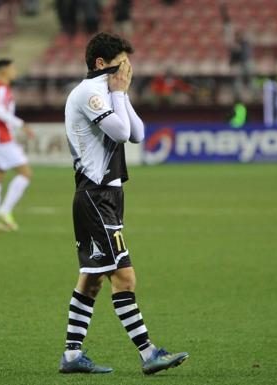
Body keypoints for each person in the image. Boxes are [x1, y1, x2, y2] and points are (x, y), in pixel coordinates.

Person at [59, 32, 189, 375]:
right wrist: (118, 93)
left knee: (92, 278)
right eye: (122, 62)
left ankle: (72, 357)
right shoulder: (89, 92)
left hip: (107, 196)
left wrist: (122, 94)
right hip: (96, 194)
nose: (127, 69)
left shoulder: (109, 92)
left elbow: (137, 133)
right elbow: (118, 133)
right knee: (125, 277)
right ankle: (148, 354)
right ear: (101, 63)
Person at [0, 59, 35, 232]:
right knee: (26, 173)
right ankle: (4, 211)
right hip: (1, 135)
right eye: (12, 68)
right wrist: (22, 124)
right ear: (3, 70)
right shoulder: (0, 88)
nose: (15, 70)